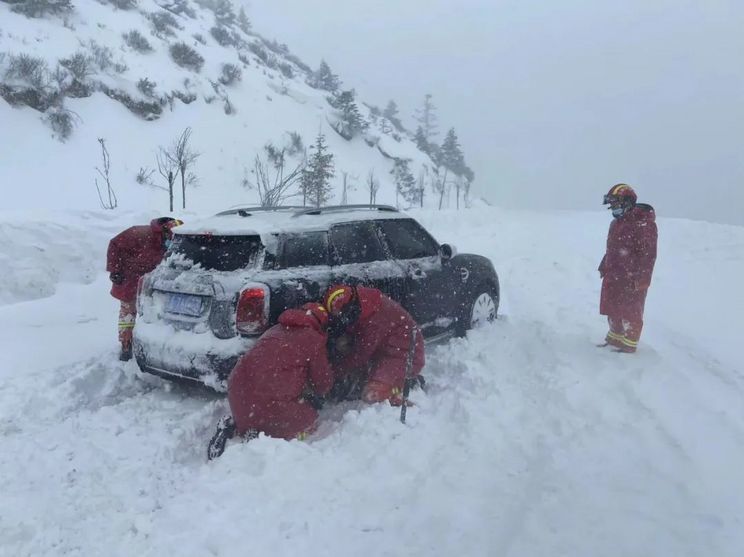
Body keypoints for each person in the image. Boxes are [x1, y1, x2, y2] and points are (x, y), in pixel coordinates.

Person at [207, 303, 335, 459]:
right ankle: (265, 438)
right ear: (320, 323)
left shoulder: (274, 330)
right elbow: (323, 384)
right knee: (310, 418)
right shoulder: (313, 339)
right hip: (269, 404)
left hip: (237, 394)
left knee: (257, 409)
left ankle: (235, 426)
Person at [323, 284, 425, 404]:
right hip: (383, 351)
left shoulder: (374, 320)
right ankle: (367, 378)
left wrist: (334, 373)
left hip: (404, 357)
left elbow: (360, 355)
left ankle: (403, 385)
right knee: (343, 344)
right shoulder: (363, 304)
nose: (344, 319)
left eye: (344, 315)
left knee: (370, 395)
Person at [106, 217, 183, 361]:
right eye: (171, 238)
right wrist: (114, 270)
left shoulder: (173, 243)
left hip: (150, 282)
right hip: (128, 278)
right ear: (165, 231)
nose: (171, 242)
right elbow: (115, 244)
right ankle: (126, 345)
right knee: (128, 313)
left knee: (149, 313)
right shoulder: (139, 233)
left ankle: (146, 343)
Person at [598, 184, 658, 353]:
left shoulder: (644, 225)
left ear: (627, 202)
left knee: (631, 310)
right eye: (612, 205)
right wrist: (605, 263)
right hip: (614, 273)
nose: (613, 209)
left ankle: (629, 344)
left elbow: (648, 255)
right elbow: (612, 248)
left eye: (616, 204)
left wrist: (643, 277)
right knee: (613, 307)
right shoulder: (616, 223)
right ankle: (615, 338)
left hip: (632, 276)